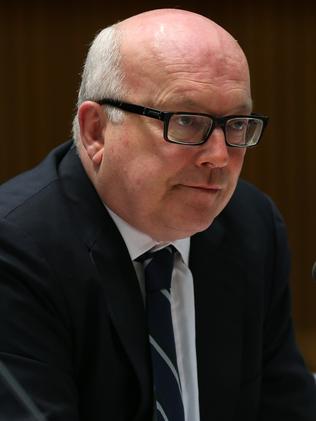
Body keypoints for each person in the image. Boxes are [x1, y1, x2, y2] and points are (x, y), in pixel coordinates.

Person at [0, 8, 315, 421]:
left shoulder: (250, 226)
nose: (219, 157)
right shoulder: (16, 251)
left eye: (236, 124)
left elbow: (286, 407)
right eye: (185, 121)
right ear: (96, 130)